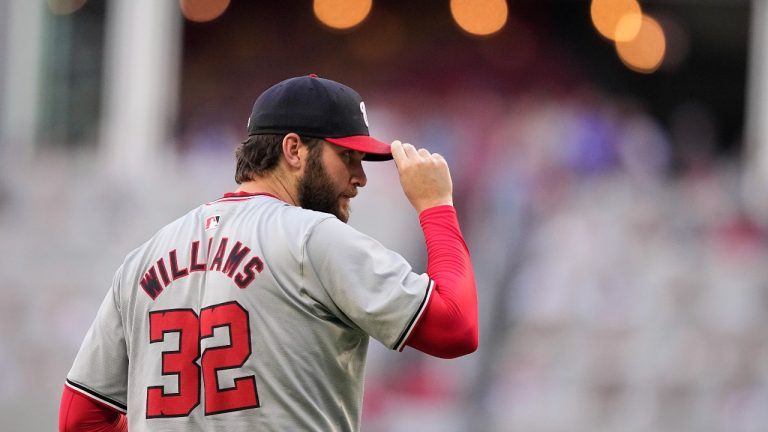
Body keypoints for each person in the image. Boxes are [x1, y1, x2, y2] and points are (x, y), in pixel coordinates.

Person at [59, 75, 478, 432]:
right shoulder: (313, 238)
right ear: (293, 150)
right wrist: (436, 206)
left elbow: (79, 420)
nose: (360, 177)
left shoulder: (142, 260)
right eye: (347, 156)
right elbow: (455, 327)